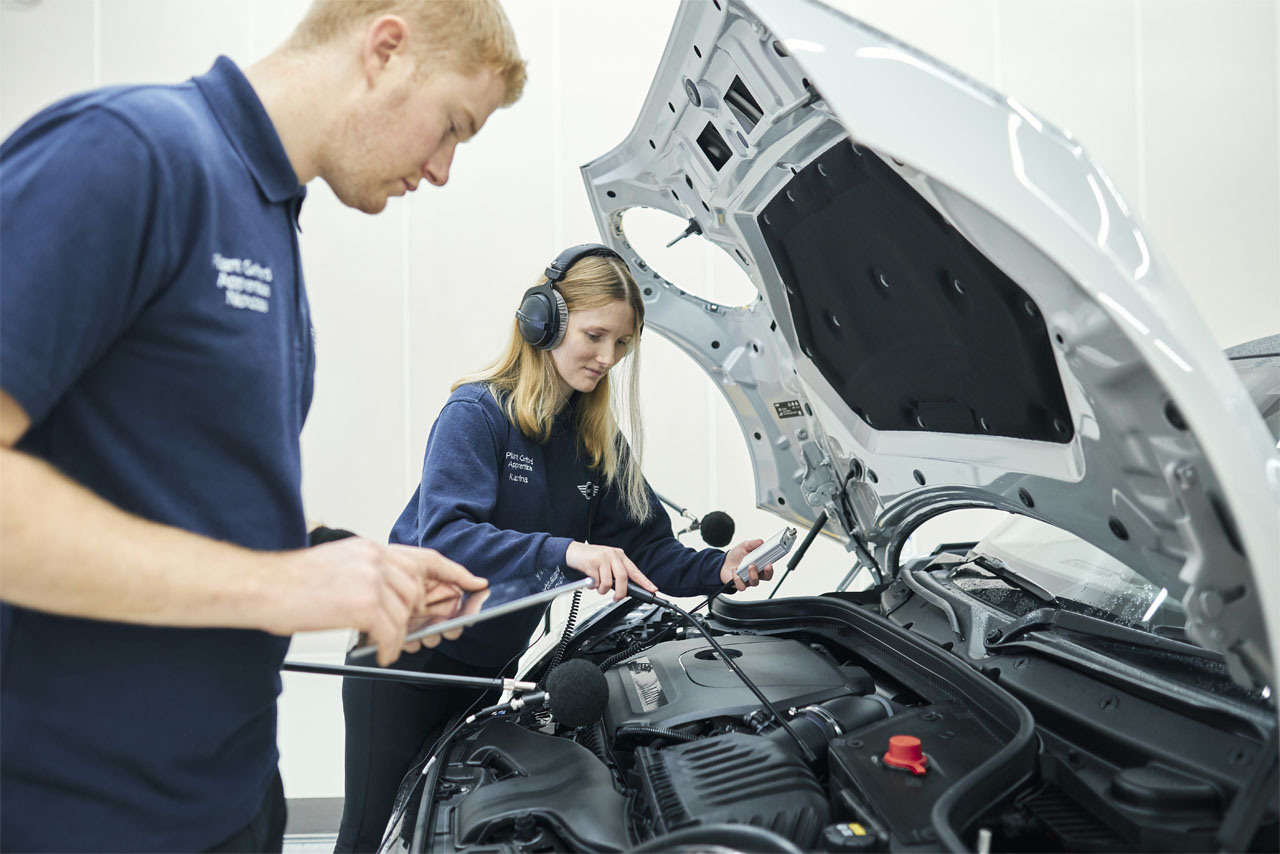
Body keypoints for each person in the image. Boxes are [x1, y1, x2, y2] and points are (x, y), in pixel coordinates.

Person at [0, 1, 526, 851]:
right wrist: (284, 587)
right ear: (386, 50)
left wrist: (350, 566)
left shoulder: (265, 214)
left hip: (229, 794)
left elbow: (173, 491)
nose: (442, 170)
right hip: (81, 811)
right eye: (452, 126)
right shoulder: (131, 153)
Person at [336, 245, 776, 852]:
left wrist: (718, 569)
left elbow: (648, 549)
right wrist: (566, 552)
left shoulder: (595, 441)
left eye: (622, 344)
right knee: (369, 835)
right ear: (543, 321)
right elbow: (446, 539)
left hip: (487, 673)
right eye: (595, 336)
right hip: (403, 663)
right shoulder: (475, 414)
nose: (608, 358)